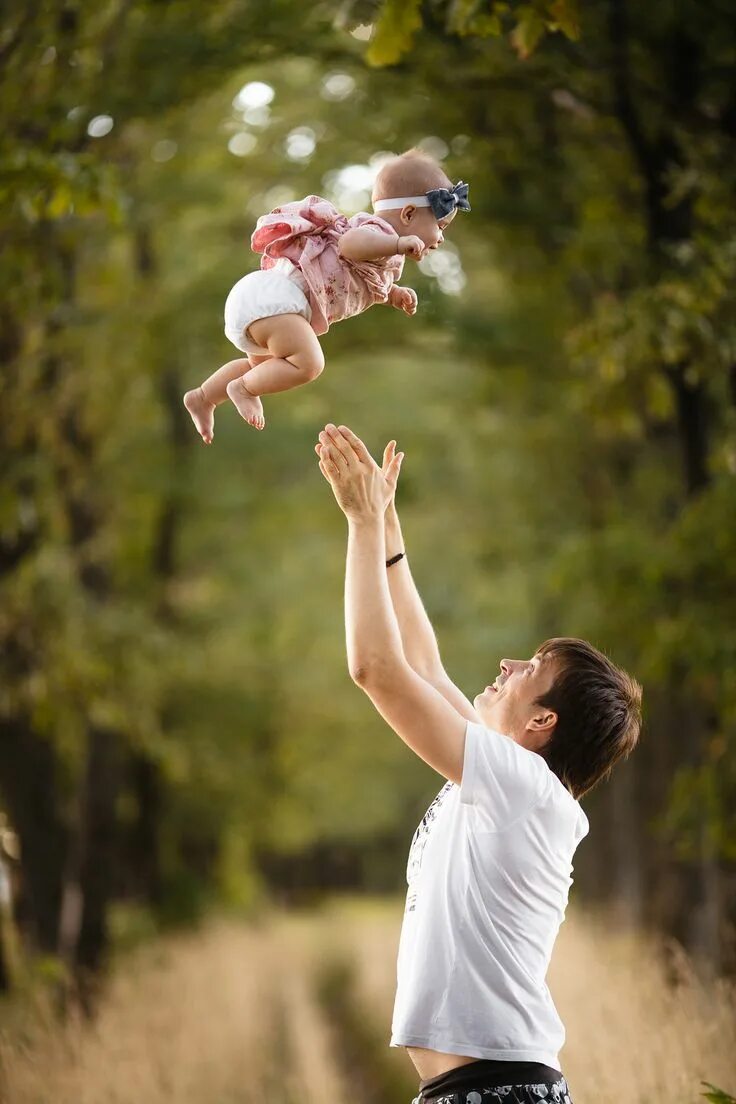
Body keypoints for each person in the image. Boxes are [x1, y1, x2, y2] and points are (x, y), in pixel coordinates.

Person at [314, 423, 642, 1104]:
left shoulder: (523, 790)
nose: (506, 664)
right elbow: (423, 661)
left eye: (530, 669)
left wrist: (362, 523)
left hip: (500, 1093)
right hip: (482, 1090)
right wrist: (391, 533)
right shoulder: (510, 784)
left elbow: (377, 669)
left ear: (541, 722)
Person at [183, 149, 469, 438]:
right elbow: (349, 246)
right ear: (408, 213)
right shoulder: (375, 231)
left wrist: (393, 294)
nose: (441, 237)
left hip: (265, 302)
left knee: (264, 365)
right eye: (440, 226)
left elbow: (363, 279)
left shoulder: (384, 252)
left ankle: (204, 397)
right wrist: (396, 244)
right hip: (279, 300)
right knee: (309, 364)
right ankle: (242, 389)